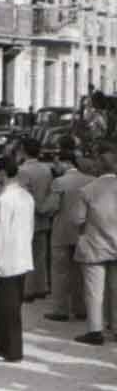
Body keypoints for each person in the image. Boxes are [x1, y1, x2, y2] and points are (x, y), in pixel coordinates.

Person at [0, 156, 35, 362]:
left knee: (5, 306)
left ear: (3, 172)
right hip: (22, 255)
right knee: (10, 305)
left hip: (6, 259)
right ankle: (3, 342)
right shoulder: (26, 196)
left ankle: (11, 350)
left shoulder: (3, 200)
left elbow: (0, 235)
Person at [71, 141, 117, 345]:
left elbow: (77, 219)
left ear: (99, 164)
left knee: (94, 291)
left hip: (94, 245)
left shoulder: (87, 190)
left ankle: (95, 330)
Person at [42, 150, 94, 323]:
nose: (56, 167)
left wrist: (41, 208)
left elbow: (51, 206)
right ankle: (81, 309)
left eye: (57, 163)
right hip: (83, 233)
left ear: (66, 163)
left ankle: (60, 309)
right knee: (81, 273)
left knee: (60, 273)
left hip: (61, 232)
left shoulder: (59, 182)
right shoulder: (91, 181)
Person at [17, 138, 53, 301]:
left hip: (28, 217)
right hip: (43, 214)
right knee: (40, 254)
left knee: (26, 254)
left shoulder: (22, 170)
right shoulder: (46, 169)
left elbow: (21, 194)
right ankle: (42, 286)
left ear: (24, 150)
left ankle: (28, 289)